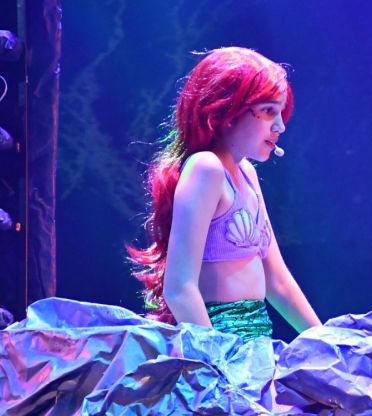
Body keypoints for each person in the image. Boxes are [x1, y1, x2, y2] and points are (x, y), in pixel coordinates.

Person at [128, 46, 321, 340]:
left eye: (281, 113)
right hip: (219, 344)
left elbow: (278, 282)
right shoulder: (205, 168)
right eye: (269, 111)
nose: (280, 126)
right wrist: (219, 359)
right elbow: (179, 289)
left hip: (255, 347)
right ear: (227, 111)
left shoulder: (248, 174)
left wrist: (327, 342)